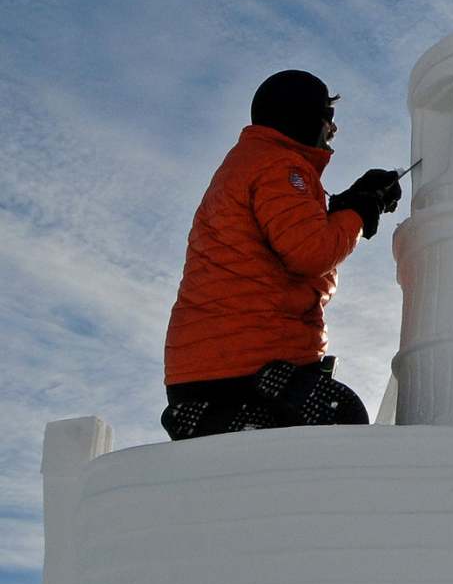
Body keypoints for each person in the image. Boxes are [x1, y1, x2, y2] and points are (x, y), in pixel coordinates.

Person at [161, 69, 402, 440]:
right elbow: (310, 252)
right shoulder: (280, 166)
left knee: (314, 429)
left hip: (209, 367)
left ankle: (210, 417)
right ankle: (221, 420)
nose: (332, 130)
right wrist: (358, 211)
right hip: (242, 366)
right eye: (328, 117)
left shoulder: (254, 162)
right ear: (305, 117)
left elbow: (293, 237)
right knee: (339, 420)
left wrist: (348, 207)